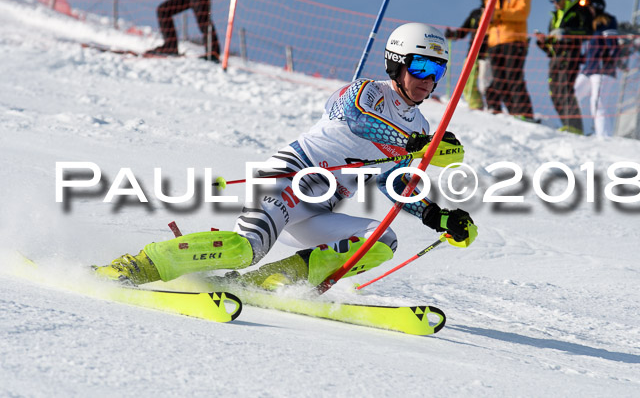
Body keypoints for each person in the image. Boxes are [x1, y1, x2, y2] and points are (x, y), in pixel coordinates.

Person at [95, 23, 478, 290]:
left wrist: (437, 215)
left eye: (438, 70)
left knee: (381, 239)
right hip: (289, 180)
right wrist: (414, 142)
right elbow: (354, 118)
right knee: (247, 248)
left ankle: (265, 284)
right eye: (421, 66)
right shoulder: (367, 92)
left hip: (319, 207)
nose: (428, 79)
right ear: (396, 62)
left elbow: (393, 180)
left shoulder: (421, 124)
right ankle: (137, 265)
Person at [536, 0, 593, 134]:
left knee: (564, 88)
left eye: (557, 0)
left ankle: (574, 126)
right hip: (555, 59)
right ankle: (568, 125)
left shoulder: (578, 10)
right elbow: (551, 48)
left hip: (570, 55)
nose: (555, 4)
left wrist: (566, 32)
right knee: (554, 91)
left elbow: (588, 32)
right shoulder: (554, 17)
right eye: (552, 1)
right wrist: (543, 42)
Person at [483, 0, 534, 119]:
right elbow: (484, 19)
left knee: (514, 77)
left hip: (514, 40)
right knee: (499, 80)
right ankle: (514, 112)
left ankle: (525, 113)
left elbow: (522, 13)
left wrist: (498, 15)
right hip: (495, 42)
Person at [574, 0, 620, 137]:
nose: (588, 11)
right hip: (588, 70)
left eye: (589, 7)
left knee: (597, 102)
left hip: (602, 70)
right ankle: (574, 128)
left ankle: (604, 136)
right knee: (572, 96)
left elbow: (613, 45)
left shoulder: (606, 22)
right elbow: (589, 52)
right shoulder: (590, 29)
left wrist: (611, 59)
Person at [445, 0, 492, 110]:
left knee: (486, 82)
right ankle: (476, 106)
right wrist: (453, 34)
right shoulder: (476, 14)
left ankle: (491, 106)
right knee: (467, 82)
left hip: (489, 52)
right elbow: (464, 30)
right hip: (473, 53)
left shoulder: (497, 14)